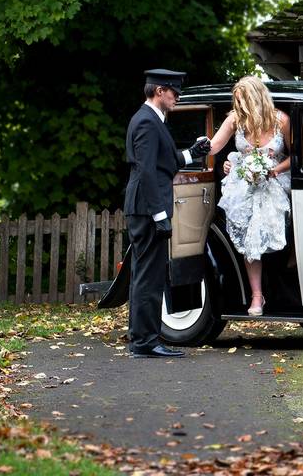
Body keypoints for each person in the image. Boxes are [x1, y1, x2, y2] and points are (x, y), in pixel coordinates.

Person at [124, 69, 211, 358]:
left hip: (146, 207)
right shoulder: (147, 122)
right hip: (148, 208)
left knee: (145, 275)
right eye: (174, 93)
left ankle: (142, 339)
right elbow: (147, 171)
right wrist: (160, 215)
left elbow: (168, 161)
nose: (177, 98)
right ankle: (145, 343)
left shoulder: (152, 121)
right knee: (149, 277)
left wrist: (195, 152)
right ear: (159, 91)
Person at [202, 75, 291, 316]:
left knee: (280, 235)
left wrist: (273, 170)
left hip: (275, 183)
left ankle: (283, 288)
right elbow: (215, 146)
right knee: (249, 241)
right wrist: (195, 150)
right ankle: (256, 295)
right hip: (244, 187)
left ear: (257, 98)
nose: (240, 107)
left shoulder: (281, 120)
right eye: (237, 102)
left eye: (243, 101)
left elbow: (298, 157)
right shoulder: (236, 119)